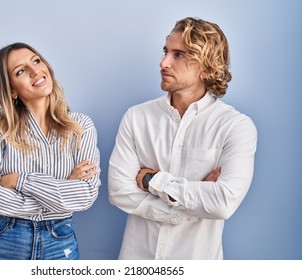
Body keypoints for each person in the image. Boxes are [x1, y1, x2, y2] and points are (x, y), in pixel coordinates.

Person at [108, 17, 257, 259]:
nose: (163, 62)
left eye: (179, 55)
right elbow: (119, 191)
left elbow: (222, 202)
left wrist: (152, 180)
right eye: (166, 51)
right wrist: (189, 209)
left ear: (207, 67)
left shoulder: (235, 126)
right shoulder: (137, 117)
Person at [0, 42, 101, 260]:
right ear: (11, 90)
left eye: (36, 61)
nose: (35, 71)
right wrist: (61, 191)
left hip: (59, 239)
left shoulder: (81, 126)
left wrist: (20, 180)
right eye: (20, 71)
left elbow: (85, 195)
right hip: (5, 239)